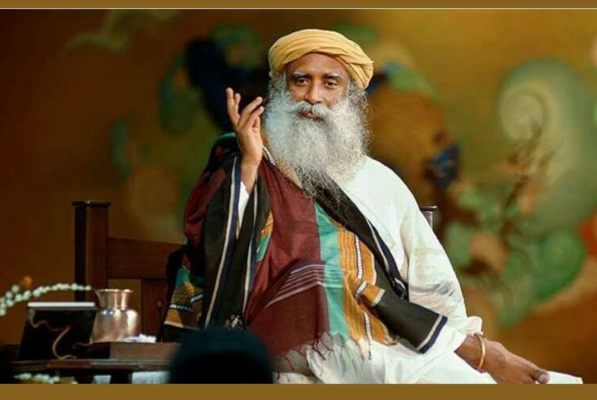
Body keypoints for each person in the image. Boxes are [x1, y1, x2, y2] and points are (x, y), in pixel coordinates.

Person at [163, 28, 582, 384]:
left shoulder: (380, 180)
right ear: (280, 90)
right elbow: (217, 254)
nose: (314, 97)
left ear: (350, 97)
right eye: (300, 80)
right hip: (293, 333)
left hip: (392, 337)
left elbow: (429, 278)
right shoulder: (248, 162)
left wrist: (466, 347)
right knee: (323, 277)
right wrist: (251, 164)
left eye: (331, 83)